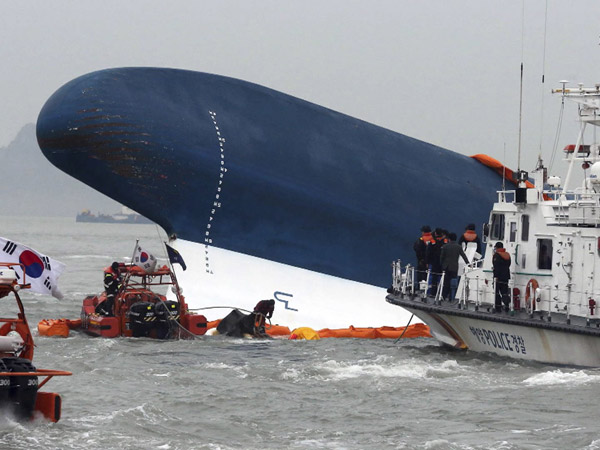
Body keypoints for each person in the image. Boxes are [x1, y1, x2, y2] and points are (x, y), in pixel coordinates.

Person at [440, 232, 469, 301]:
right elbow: (463, 256)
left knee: (446, 282)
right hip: (454, 267)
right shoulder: (458, 247)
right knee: (453, 283)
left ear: (449, 239)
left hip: (446, 267)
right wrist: (468, 263)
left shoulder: (445, 246)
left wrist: (441, 265)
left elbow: (441, 257)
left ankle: (443, 296)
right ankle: (451, 297)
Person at [426, 228, 446, 295]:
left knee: (434, 278)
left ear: (435, 233)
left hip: (434, 262)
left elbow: (428, 252)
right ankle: (441, 293)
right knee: (442, 277)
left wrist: (427, 262)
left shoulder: (432, 242)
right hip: (442, 263)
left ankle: (433, 293)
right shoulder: (445, 242)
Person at [492, 242, 511, 312]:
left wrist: (496, 276)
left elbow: (496, 266)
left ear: (497, 247)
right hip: (506, 276)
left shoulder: (496, 255)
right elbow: (509, 264)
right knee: (504, 292)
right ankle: (507, 305)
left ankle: (498, 306)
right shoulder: (507, 255)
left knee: (496, 292)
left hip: (498, 277)